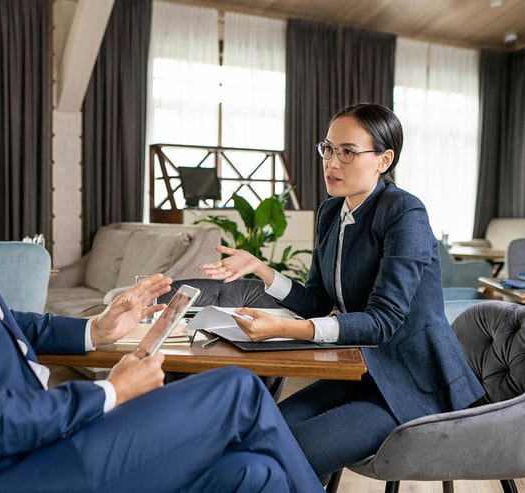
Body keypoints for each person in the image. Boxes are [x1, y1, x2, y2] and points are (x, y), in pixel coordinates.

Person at [0, 72, 323, 493]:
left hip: (26, 448)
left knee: (254, 474)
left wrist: (96, 331)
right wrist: (113, 391)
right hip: (4, 471)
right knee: (236, 389)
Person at [202, 103, 485, 480]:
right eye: (329, 149)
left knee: (288, 454)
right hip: (361, 373)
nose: (332, 163)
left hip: (413, 383)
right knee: (256, 435)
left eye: (348, 152)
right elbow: (318, 301)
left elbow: (381, 323)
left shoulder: (405, 213)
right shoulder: (330, 213)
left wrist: (285, 329)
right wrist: (262, 270)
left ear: (384, 160)